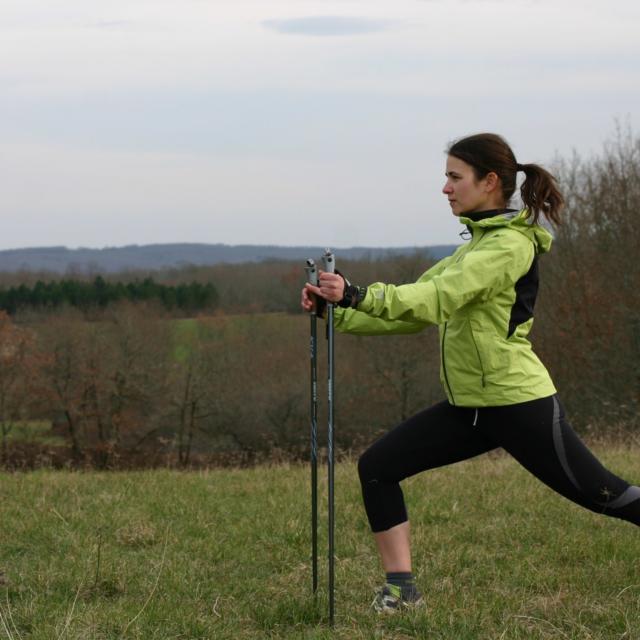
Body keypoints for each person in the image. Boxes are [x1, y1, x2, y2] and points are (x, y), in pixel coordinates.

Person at [301, 133, 640, 614]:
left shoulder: (507, 248)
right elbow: (417, 310)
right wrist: (333, 314)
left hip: (518, 404)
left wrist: (356, 292)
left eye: (454, 177)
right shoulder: (472, 248)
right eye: (447, 178)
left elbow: (439, 297)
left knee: (604, 494)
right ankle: (402, 590)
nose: (445, 188)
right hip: (470, 408)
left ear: (490, 182)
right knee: (378, 468)